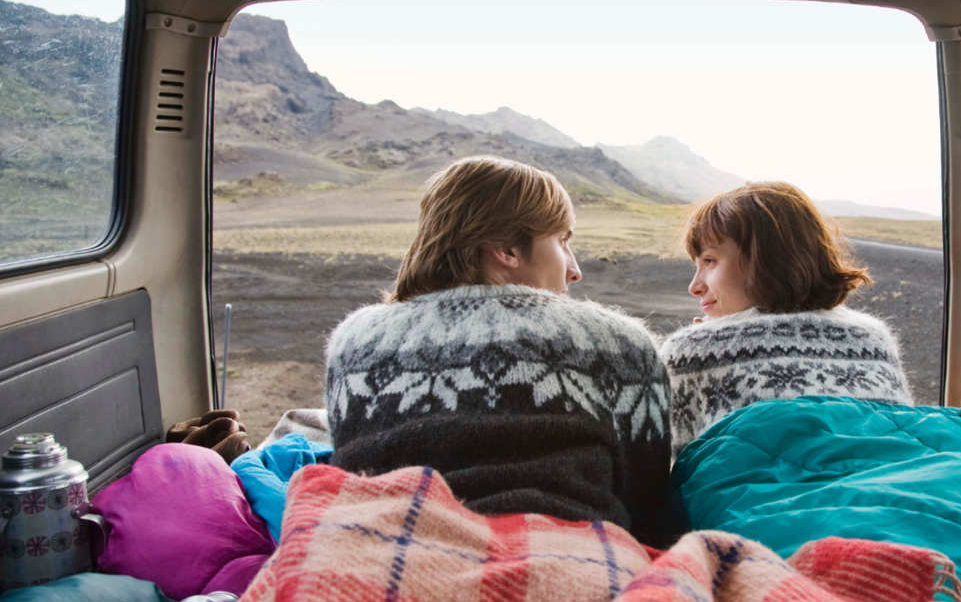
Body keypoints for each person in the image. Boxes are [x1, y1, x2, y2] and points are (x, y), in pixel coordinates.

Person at [323, 156, 672, 544]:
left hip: (374, 559)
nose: (574, 269)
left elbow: (347, 468)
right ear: (507, 249)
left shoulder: (355, 342)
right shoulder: (619, 345)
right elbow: (647, 508)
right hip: (560, 563)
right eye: (562, 241)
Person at [659, 181, 912, 456]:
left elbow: (676, 476)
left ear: (764, 260)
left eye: (709, 261)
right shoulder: (874, 339)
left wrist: (703, 344)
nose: (694, 286)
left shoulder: (690, 352)